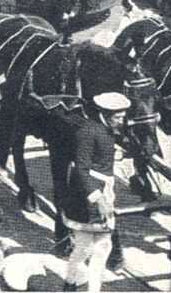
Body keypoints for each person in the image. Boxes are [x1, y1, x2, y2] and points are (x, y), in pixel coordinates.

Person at [58, 91, 129, 292]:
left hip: (104, 192)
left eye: (123, 117)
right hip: (85, 196)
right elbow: (81, 168)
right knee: (84, 247)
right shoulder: (87, 132)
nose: (121, 121)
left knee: (103, 247)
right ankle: (70, 282)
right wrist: (97, 199)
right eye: (117, 117)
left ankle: (93, 288)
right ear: (104, 115)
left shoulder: (107, 130)